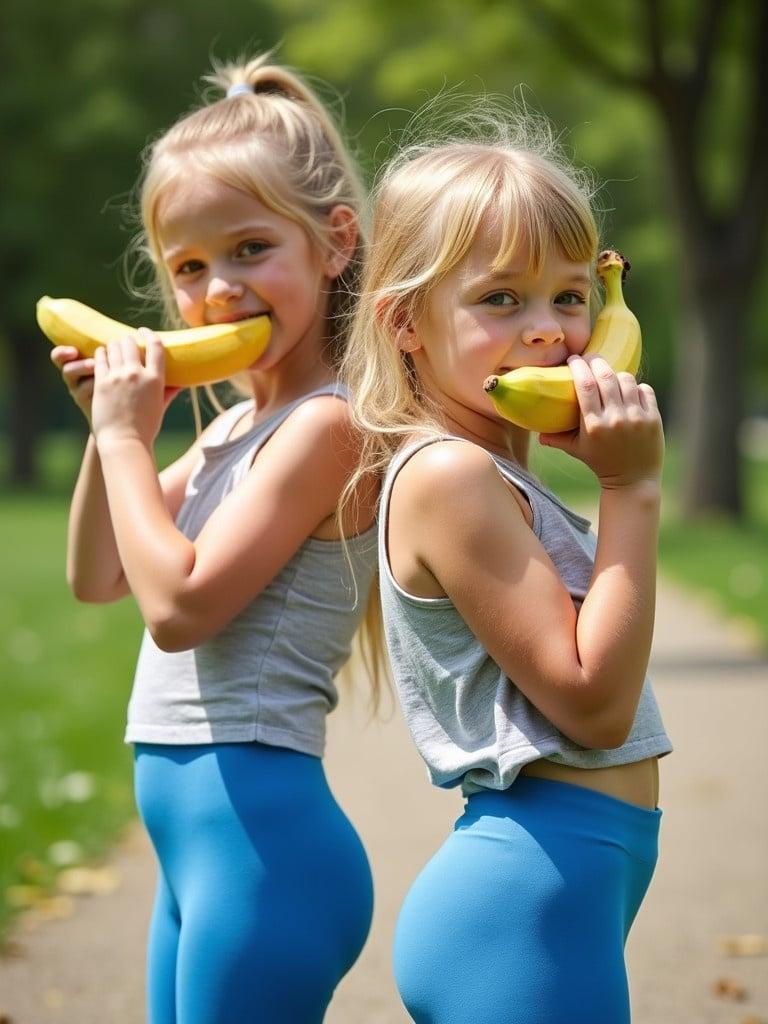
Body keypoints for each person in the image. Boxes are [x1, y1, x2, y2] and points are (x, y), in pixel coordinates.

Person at [50, 54, 380, 1024]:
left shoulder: (330, 424)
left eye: (248, 249)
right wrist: (118, 433)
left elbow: (181, 606)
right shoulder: (230, 428)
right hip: (196, 861)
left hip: (265, 857)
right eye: (189, 268)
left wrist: (120, 438)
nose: (219, 287)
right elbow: (97, 573)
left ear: (333, 242)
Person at [341, 110, 673, 1023]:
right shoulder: (448, 475)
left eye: (571, 297)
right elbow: (592, 706)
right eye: (501, 299)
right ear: (405, 323)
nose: (551, 331)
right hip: (522, 903)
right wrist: (633, 493)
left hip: (558, 892)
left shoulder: (499, 474)